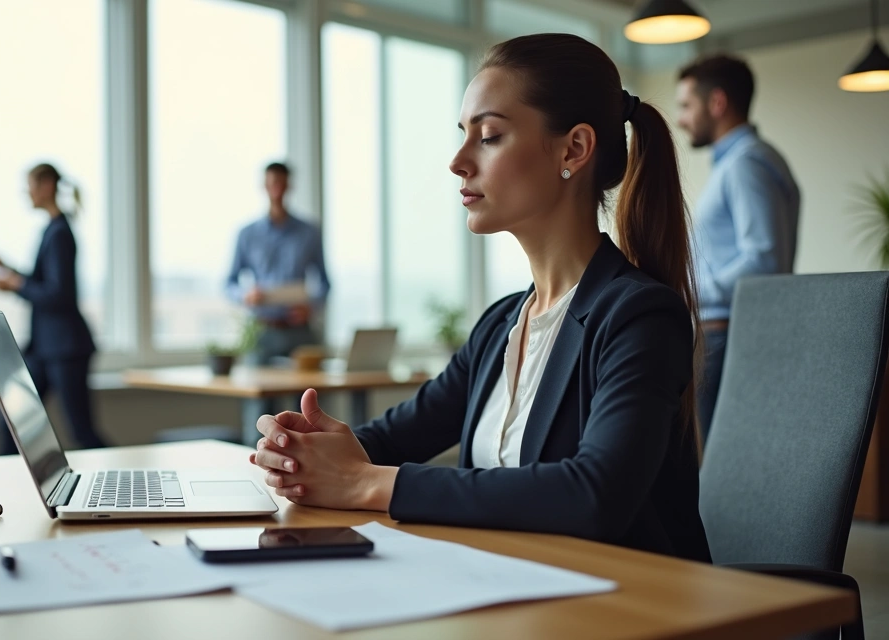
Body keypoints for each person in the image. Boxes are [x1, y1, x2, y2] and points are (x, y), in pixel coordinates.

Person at [250, 34, 711, 563]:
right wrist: (305, 450)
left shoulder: (638, 316)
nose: (458, 161)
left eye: (489, 136)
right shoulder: (501, 326)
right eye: (463, 134)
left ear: (574, 149)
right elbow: (390, 440)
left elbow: (596, 493)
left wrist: (364, 483)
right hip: (512, 594)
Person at [676, 55, 800, 444]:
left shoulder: (746, 165)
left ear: (717, 103)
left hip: (729, 336)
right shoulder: (742, 162)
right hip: (727, 335)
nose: (681, 119)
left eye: (686, 105)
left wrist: (687, 290)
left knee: (726, 469)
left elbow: (763, 262)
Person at [0, 163, 106, 452]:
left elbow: (58, 294)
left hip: (65, 348)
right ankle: (15, 489)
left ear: (47, 185)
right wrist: (8, 270)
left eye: (30, 185)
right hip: (44, 347)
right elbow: (43, 281)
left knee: (82, 432)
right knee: (11, 422)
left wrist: (15, 284)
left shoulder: (60, 233)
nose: (27, 193)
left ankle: (126, 483)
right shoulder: (52, 230)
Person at [225, 163, 331, 362]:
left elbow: (324, 282)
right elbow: (229, 283)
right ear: (264, 186)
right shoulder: (247, 234)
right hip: (261, 330)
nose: (277, 189)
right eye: (273, 183)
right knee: (256, 390)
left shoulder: (309, 233)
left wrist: (312, 306)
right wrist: (245, 296)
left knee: (310, 390)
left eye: (282, 183)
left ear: (289, 186)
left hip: (299, 331)